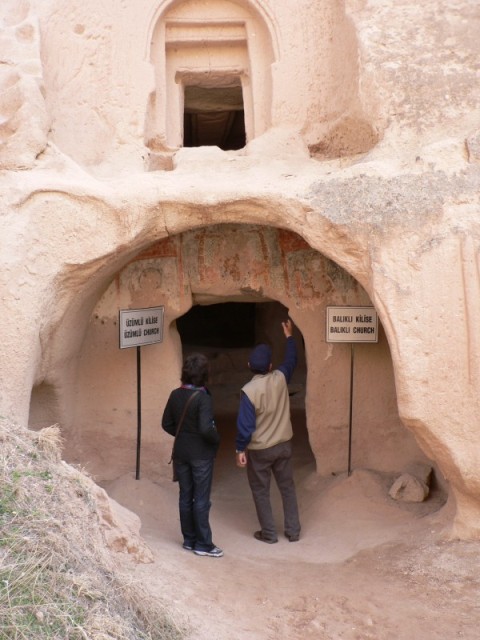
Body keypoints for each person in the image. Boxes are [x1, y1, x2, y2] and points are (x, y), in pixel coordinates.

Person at [235, 319, 301, 543]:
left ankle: (269, 533)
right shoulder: (281, 379)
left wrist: (239, 449)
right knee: (287, 488)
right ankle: (293, 531)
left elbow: (245, 426)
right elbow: (291, 360)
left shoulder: (248, 391)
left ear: (249, 365)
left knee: (261, 490)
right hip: (283, 445)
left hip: (260, 450)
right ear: (271, 366)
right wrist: (289, 337)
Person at [162, 352, 223, 557]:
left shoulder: (175, 394)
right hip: (200, 454)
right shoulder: (203, 397)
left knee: (185, 496)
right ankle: (203, 544)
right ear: (205, 374)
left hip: (181, 451)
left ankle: (189, 539)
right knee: (201, 498)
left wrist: (185, 435)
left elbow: (167, 424)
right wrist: (216, 439)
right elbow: (206, 429)